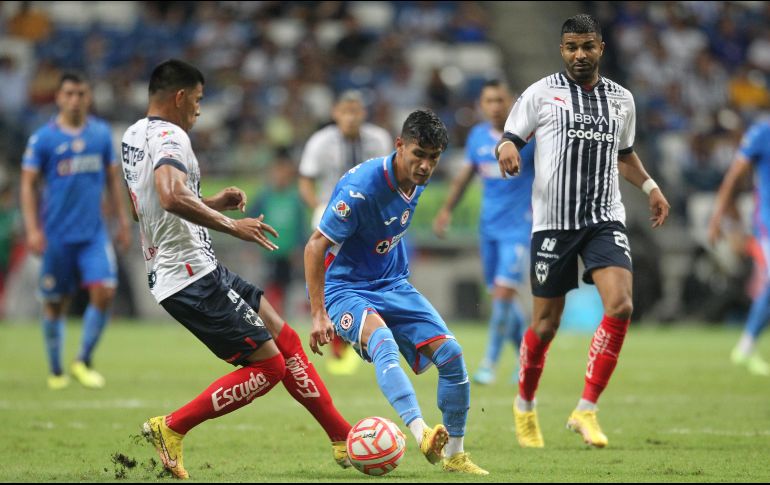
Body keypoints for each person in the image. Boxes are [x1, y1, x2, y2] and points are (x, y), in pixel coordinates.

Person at [121, 59, 352, 479]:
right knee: (269, 367)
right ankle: (170, 428)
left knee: (287, 341)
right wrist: (232, 225)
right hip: (189, 276)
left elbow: (149, 211)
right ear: (179, 96)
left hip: (198, 267)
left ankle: (341, 437)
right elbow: (171, 198)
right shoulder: (173, 135)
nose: (199, 109)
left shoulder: (134, 136)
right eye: (198, 99)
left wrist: (210, 203)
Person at [496, 14, 670, 449]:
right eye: (572, 47)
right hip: (553, 223)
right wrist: (507, 152)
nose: (580, 55)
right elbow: (509, 137)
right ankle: (524, 404)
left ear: (601, 48)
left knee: (622, 305)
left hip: (603, 219)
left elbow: (625, 154)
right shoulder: (540, 93)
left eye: (587, 46)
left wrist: (650, 187)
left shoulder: (621, 100)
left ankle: (586, 409)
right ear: (561, 50)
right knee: (545, 326)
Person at [304, 109, 488, 475]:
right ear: (400, 145)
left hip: (393, 284)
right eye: (418, 154)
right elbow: (314, 247)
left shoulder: (418, 182)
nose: (424, 166)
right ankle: (421, 432)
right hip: (347, 288)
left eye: (433, 158)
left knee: (452, 356)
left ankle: (455, 454)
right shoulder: (362, 189)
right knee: (383, 340)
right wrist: (318, 313)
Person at [20, 72, 131, 390]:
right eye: (69, 93)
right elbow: (28, 185)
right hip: (56, 235)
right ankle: (56, 370)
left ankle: (82, 360)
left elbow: (112, 179)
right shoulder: (44, 138)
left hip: (93, 234)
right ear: (58, 97)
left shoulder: (99, 134)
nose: (75, 100)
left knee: (105, 291)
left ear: (89, 97)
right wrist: (32, 229)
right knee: (56, 302)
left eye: (81, 94)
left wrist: (122, 221)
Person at [433, 79, 535, 385]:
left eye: (500, 100)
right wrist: (446, 210)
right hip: (488, 228)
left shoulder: (529, 138)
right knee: (500, 297)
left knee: (504, 292)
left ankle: (489, 363)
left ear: (513, 103)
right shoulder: (478, 136)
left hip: (518, 228)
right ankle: (525, 356)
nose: (495, 107)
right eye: (489, 101)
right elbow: (465, 177)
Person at [298, 90, 392, 375]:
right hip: (331, 212)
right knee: (325, 269)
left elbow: (388, 180)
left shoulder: (378, 139)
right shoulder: (320, 141)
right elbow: (306, 180)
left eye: (356, 111)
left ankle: (364, 324)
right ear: (335, 113)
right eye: (345, 111)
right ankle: (330, 322)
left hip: (368, 216)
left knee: (370, 270)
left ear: (363, 113)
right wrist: (317, 207)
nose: (351, 117)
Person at [708, 118, 770, 377]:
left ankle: (746, 347)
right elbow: (733, 176)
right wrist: (717, 217)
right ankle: (745, 347)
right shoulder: (762, 132)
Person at [248, 150, 306, 316]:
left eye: (284, 173)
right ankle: (269, 316)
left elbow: (300, 226)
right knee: (268, 286)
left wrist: (299, 247)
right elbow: (250, 220)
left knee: (286, 287)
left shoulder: (295, 198)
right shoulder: (265, 197)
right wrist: (251, 245)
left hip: (288, 253)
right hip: (267, 252)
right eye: (278, 172)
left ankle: (281, 317)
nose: (281, 176)